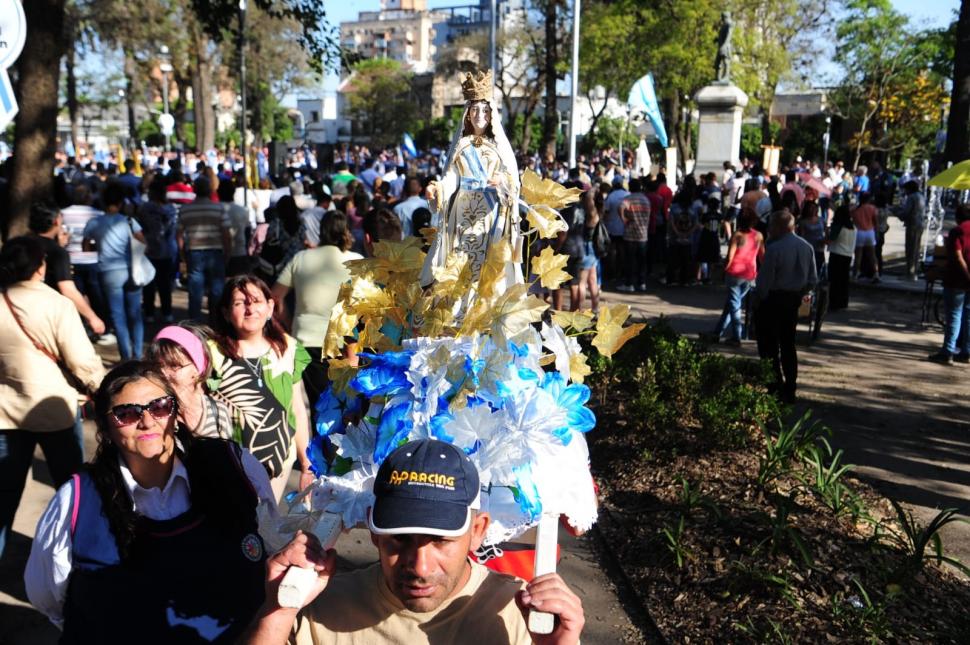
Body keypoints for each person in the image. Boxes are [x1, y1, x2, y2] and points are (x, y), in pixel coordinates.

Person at [242, 439, 585, 645]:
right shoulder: (322, 607)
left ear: (478, 530)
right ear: (374, 532)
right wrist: (276, 613)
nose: (419, 567)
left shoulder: (521, 614)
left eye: (440, 541)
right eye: (400, 540)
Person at [24, 361, 274, 641]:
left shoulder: (234, 466)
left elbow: (270, 545)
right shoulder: (78, 499)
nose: (147, 421)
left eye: (160, 406)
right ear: (105, 428)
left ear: (175, 413)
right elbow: (48, 596)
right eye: (126, 414)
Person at [0, 236, 105, 560]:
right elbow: (81, 360)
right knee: (71, 493)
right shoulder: (57, 304)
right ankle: (77, 560)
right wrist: (104, 389)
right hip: (55, 410)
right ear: (39, 267)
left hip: (5, 414)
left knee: (3, 498)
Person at [209, 275, 313, 500]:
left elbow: (297, 409)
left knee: (268, 519)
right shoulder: (211, 354)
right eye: (239, 303)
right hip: (230, 466)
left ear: (270, 307)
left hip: (280, 463)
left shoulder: (287, 348)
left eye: (256, 301)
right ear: (226, 312)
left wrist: (306, 464)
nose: (250, 309)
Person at [422, 70, 521, 301]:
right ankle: (458, 308)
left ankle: (483, 308)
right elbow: (452, 177)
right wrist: (437, 188)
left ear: (491, 114)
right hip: (462, 213)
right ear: (467, 114)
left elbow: (513, 180)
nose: (479, 115)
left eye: (484, 110)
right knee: (460, 260)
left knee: (488, 263)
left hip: (490, 213)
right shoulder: (461, 145)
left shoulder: (498, 146)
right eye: (474, 110)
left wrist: (502, 181)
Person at [271, 212, 362, 426]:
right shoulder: (357, 261)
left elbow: (274, 297)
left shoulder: (301, 258)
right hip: (345, 344)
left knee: (315, 408)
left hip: (306, 340)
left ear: (321, 231)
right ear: (346, 230)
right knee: (343, 410)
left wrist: (287, 324)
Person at [754, 211, 817, 402]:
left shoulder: (775, 249)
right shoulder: (806, 247)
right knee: (788, 344)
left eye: (771, 226)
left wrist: (761, 299)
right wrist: (799, 293)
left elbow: (764, 282)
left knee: (769, 345)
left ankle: (775, 385)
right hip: (793, 300)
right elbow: (812, 280)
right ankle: (790, 387)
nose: (769, 229)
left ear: (780, 227)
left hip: (774, 300)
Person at [82, 182, 146, 360]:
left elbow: (86, 247)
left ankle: (125, 357)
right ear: (121, 202)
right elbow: (142, 242)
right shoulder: (129, 221)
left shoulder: (94, 222)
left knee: (118, 316)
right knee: (135, 314)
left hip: (108, 272)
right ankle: (138, 354)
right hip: (132, 270)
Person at [28, 203, 106, 335]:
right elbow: (67, 288)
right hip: (46, 312)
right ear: (56, 221)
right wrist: (92, 317)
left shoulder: (17, 245)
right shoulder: (57, 252)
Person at [147, 324, 233, 438]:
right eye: (158, 366)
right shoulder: (154, 416)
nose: (163, 373)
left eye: (174, 366)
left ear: (197, 370)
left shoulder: (217, 411)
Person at [177, 175, 233, 321]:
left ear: (194, 190)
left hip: (194, 252)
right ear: (210, 190)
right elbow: (226, 234)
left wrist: (182, 254)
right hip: (216, 252)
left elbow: (179, 235)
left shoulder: (185, 209)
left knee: (195, 290)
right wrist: (228, 252)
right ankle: (215, 321)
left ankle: (195, 323)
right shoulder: (218, 208)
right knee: (216, 290)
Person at [710, 210, 765, 345]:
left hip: (734, 274)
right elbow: (762, 257)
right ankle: (716, 333)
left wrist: (724, 270)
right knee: (732, 304)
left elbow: (730, 257)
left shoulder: (737, 235)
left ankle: (736, 337)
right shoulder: (758, 236)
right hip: (750, 275)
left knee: (734, 305)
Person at [929, 205, 970, 364]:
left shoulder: (957, 231)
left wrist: (967, 275)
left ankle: (947, 352)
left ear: (958, 217)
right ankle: (966, 352)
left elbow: (958, 256)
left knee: (954, 315)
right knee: (968, 317)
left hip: (956, 279)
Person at [136, 178, 178, 324]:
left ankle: (149, 313)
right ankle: (167, 312)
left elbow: (140, 228)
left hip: (149, 249)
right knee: (165, 283)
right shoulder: (171, 208)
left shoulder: (144, 208)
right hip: (167, 250)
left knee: (149, 283)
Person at [618, 178, 650, 292]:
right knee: (642, 261)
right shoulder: (645, 200)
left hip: (630, 234)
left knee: (630, 260)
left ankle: (629, 284)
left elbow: (620, 207)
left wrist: (624, 219)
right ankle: (642, 283)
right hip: (643, 234)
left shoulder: (629, 199)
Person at [219, 179, 253, 277]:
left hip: (218, 254)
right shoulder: (243, 210)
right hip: (239, 253)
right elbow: (247, 232)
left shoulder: (214, 209)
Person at [894, 180, 926, 280]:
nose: (905, 192)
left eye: (906, 189)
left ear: (909, 189)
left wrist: (896, 212)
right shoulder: (921, 196)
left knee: (910, 249)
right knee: (916, 249)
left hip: (912, 225)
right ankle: (914, 272)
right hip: (920, 225)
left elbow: (906, 213)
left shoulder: (911, 197)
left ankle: (910, 274)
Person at [826, 204, 856, 311]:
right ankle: (843, 301)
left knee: (834, 280)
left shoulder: (838, 226)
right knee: (843, 280)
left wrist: (826, 231)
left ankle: (834, 302)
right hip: (847, 255)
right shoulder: (852, 227)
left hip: (837, 254)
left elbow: (830, 240)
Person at [851, 192, 879, 281]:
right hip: (870, 232)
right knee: (872, 255)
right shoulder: (872, 208)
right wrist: (877, 231)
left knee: (858, 256)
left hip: (859, 232)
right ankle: (876, 273)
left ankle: (855, 274)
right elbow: (875, 221)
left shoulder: (855, 209)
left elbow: (852, 220)